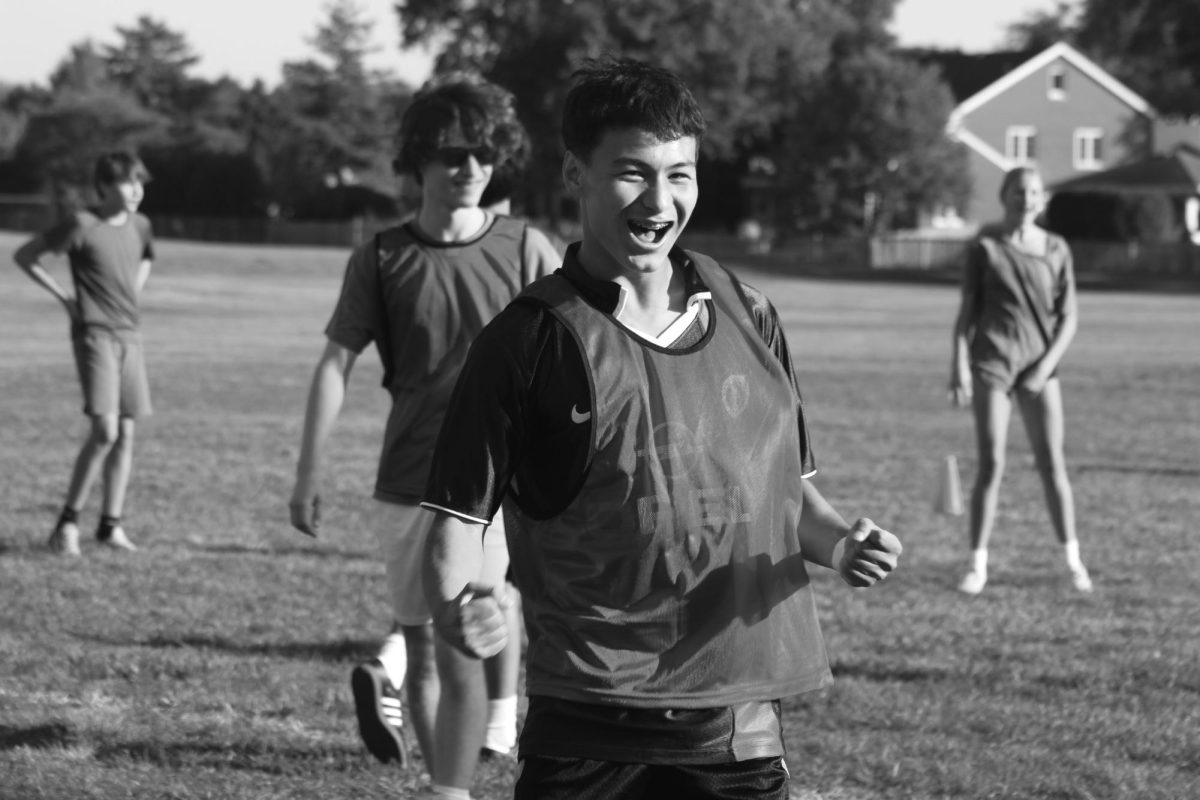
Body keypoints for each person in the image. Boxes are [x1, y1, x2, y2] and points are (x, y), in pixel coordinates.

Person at [420, 56, 904, 800]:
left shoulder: (749, 312)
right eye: (632, 172)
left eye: (680, 174)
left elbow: (789, 493)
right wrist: (462, 615)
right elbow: (453, 524)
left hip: (735, 724)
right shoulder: (527, 342)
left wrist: (842, 544)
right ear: (576, 174)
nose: (660, 198)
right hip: (588, 724)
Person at [287, 73, 559, 797]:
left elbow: (581, 356)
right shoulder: (379, 258)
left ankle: (465, 768)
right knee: (423, 647)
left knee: (470, 624)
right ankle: (451, 778)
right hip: (406, 482)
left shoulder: (528, 248)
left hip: (494, 486)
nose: (469, 169)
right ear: (419, 163)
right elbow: (335, 364)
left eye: (483, 154)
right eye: (451, 155)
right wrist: (307, 475)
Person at [949, 165, 1092, 595]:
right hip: (993, 364)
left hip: (1040, 370)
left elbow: (1069, 318)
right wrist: (957, 364)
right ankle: (977, 565)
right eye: (1018, 191)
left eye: (1033, 192)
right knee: (991, 464)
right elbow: (966, 314)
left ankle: (1072, 561)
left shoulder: (1056, 248)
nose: (1025, 199)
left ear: (1041, 200)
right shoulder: (986, 248)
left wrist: (1044, 368)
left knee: (1052, 466)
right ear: (1004, 195)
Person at [13, 152, 155, 555]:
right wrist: (65, 299)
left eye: (140, 182)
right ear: (105, 186)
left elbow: (145, 258)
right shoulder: (82, 224)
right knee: (105, 430)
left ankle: (110, 525)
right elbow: (25, 255)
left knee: (126, 433)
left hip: (131, 335)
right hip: (94, 334)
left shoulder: (142, 225)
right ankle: (66, 524)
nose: (137, 190)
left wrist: (134, 291)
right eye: (128, 182)